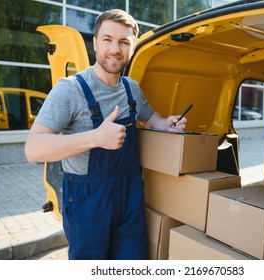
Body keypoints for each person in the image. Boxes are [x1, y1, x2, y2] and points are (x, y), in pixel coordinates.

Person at [25, 9, 187, 260]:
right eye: (108, 39)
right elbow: (33, 149)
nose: (115, 49)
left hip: (129, 196)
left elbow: (149, 118)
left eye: (124, 42)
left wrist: (166, 124)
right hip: (87, 201)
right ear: (95, 43)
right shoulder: (70, 90)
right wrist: (95, 138)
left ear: (132, 47)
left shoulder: (131, 88)